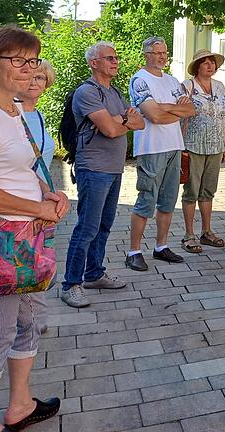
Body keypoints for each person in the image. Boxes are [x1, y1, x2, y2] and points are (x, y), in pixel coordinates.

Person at [0, 25, 71, 431]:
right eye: (17, 60)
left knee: (30, 318)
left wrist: (50, 192)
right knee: (0, 327)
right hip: (5, 236)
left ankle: (20, 404)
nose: (28, 69)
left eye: (32, 60)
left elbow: (24, 168)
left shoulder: (16, 112)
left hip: (29, 236)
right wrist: (36, 206)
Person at [59, 41, 144, 308]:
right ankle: (70, 284)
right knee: (87, 228)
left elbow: (139, 121)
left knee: (104, 225)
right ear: (94, 63)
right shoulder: (87, 92)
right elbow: (109, 129)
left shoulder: (115, 92)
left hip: (113, 169)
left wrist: (119, 121)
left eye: (116, 57)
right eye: (109, 58)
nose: (115, 61)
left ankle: (93, 274)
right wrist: (121, 122)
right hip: (93, 169)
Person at [126, 36, 195, 271]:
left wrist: (163, 107)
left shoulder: (173, 80)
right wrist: (174, 111)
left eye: (164, 52)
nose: (162, 57)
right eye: (157, 52)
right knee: (146, 200)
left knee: (168, 201)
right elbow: (153, 116)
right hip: (151, 147)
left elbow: (191, 109)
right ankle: (134, 251)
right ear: (146, 54)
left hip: (174, 145)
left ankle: (160, 247)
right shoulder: (139, 80)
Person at [179, 49, 225, 253]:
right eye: (205, 62)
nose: (210, 65)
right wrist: (181, 147)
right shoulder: (187, 86)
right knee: (191, 191)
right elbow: (181, 116)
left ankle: (206, 231)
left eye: (212, 62)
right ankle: (188, 235)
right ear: (197, 66)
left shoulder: (220, 87)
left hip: (216, 146)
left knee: (209, 191)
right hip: (193, 145)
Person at [17, 59, 55, 182]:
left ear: (46, 83)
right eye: (28, 77)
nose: (33, 82)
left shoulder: (39, 116)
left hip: (40, 193)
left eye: (39, 77)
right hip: (17, 193)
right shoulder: (9, 113)